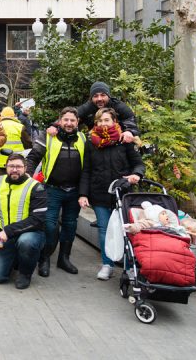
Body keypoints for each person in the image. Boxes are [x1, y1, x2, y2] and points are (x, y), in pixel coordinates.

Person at [79, 107, 145, 280]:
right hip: (99, 193)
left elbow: (138, 164)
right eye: (99, 121)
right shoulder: (91, 142)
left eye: (106, 120)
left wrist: (136, 175)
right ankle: (107, 264)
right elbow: (86, 170)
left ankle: (129, 266)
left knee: (126, 230)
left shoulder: (125, 141)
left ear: (114, 121)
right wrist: (83, 194)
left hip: (123, 194)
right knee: (104, 229)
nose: (103, 124)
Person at [25, 107, 88, 277]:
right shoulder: (48, 136)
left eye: (72, 120)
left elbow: (88, 167)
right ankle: (44, 258)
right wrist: (27, 180)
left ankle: (64, 258)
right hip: (52, 189)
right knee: (50, 226)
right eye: (65, 120)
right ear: (59, 121)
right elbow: (32, 158)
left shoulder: (83, 138)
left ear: (77, 122)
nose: (68, 123)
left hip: (74, 192)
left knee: (70, 225)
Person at [0, 153, 47, 289]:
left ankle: (25, 273)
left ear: (25, 168)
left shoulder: (36, 187)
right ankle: (14, 259)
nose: (14, 169)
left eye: (18, 166)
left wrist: (7, 231)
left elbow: (37, 220)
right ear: (6, 167)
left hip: (30, 233)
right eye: (11, 166)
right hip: (4, 236)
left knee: (26, 243)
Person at [0, 107, 32, 171]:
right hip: (15, 163)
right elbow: (28, 144)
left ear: (1, 115)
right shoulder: (20, 127)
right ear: (14, 115)